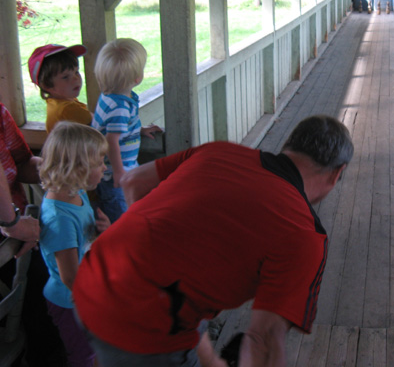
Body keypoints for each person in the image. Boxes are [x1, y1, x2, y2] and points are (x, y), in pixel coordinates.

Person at [73, 115, 354, 367]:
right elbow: (264, 341)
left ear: (289, 145)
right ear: (336, 174)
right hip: (144, 329)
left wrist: (149, 251)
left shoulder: (219, 151)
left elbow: (133, 182)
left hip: (89, 278)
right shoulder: (304, 234)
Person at [38, 122, 111, 367]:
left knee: (98, 348)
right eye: (99, 162)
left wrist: (102, 230)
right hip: (72, 302)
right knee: (84, 355)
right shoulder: (59, 218)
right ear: (78, 168)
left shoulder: (76, 193)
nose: (104, 167)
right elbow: (70, 276)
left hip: (87, 293)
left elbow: (85, 242)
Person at [0, 102, 67, 366]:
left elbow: (22, 162)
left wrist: (57, 171)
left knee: (46, 285)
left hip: (20, 228)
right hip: (11, 231)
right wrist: (12, 224)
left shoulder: (1, 112)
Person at [91, 38, 162, 223]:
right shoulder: (119, 108)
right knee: (121, 218)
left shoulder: (111, 96)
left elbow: (119, 127)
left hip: (120, 169)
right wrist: (118, 171)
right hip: (113, 175)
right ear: (137, 78)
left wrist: (138, 129)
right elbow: (110, 141)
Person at [28, 43, 93, 133]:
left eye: (76, 72)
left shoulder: (58, 101)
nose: (76, 78)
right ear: (47, 85)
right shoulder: (66, 109)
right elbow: (99, 123)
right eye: (65, 77)